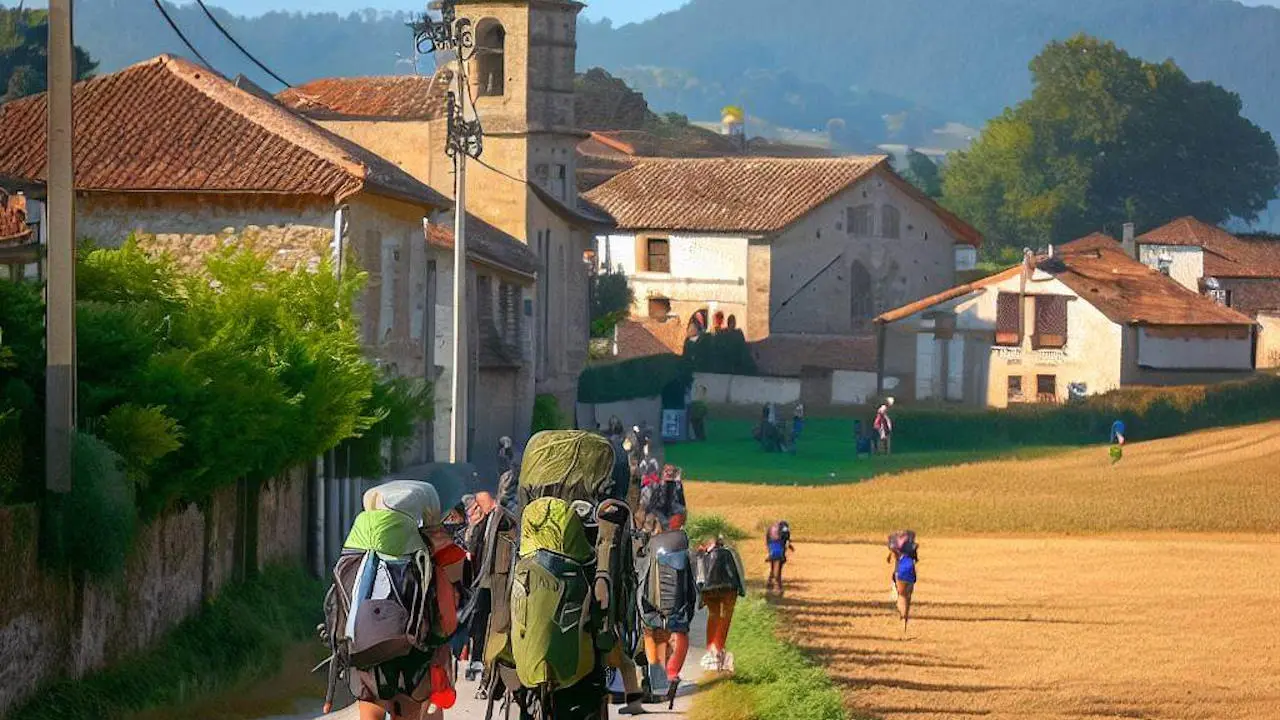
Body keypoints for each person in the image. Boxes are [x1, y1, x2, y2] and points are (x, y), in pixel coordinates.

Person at [695, 535, 747, 673]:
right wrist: (742, 590)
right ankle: (718, 650)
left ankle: (713, 651)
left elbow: (699, 576)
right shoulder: (731, 551)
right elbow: (740, 573)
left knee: (713, 616)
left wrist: (701, 594)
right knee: (725, 617)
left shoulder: (701, 554)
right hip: (729, 588)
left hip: (709, 590)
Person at [887, 532, 919, 632]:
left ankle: (902, 616)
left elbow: (893, 554)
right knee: (908, 596)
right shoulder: (911, 551)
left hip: (901, 572)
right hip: (911, 571)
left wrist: (891, 553)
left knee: (901, 595)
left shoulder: (897, 552)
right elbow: (916, 559)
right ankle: (905, 619)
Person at [765, 520, 795, 593]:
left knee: (773, 565)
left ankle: (769, 582)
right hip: (779, 548)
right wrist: (789, 547)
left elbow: (767, 540)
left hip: (771, 547)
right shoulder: (784, 529)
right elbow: (786, 540)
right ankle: (777, 586)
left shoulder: (771, 528)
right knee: (778, 568)